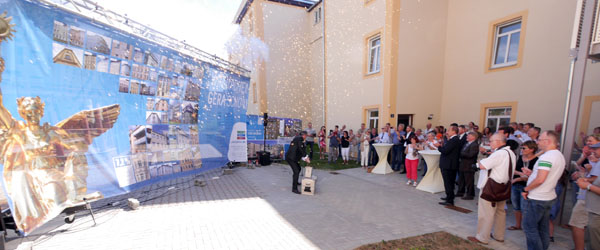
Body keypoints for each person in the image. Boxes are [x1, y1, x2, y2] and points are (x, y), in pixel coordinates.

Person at [467, 133, 516, 245]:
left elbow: (483, 165)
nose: (490, 143)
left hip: (491, 187)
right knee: (500, 212)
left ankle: (482, 237)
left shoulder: (499, 153)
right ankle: (499, 235)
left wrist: (476, 164)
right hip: (503, 186)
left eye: (491, 141)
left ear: (498, 141)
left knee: (486, 213)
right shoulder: (511, 153)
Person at [521, 131, 566, 250]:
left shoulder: (548, 156)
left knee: (530, 227)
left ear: (548, 141)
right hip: (547, 196)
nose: (537, 142)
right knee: (542, 228)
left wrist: (526, 189)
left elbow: (540, 179)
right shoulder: (558, 155)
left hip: (537, 197)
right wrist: (532, 174)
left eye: (540, 140)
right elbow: (544, 175)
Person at [508, 140, 539, 231]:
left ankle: (527, 227)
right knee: (516, 206)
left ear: (532, 149)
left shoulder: (536, 160)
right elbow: (512, 169)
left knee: (525, 208)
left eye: (524, 148)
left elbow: (534, 176)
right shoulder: (519, 157)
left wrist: (518, 178)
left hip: (527, 187)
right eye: (521, 148)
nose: (522, 150)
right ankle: (518, 225)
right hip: (515, 185)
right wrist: (520, 174)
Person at [576, 141, 600, 250]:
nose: (593, 151)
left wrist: (587, 186)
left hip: (597, 212)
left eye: (596, 149)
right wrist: (587, 179)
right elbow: (596, 178)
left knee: (595, 243)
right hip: (594, 209)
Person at [437, 125, 461, 206]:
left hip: (449, 165)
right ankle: (449, 196)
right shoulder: (452, 139)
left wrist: (439, 146)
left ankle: (450, 200)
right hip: (449, 164)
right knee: (448, 182)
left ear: (454, 131)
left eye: (449, 130)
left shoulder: (454, 140)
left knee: (448, 182)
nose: (447, 132)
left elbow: (445, 151)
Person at [456, 132, 480, 200]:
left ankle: (470, 194)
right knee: (461, 180)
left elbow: (471, 155)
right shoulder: (467, 143)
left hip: (469, 165)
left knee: (469, 181)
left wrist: (461, 153)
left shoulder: (474, 145)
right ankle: (460, 192)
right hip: (463, 164)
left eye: (468, 136)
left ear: (473, 137)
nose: (467, 137)